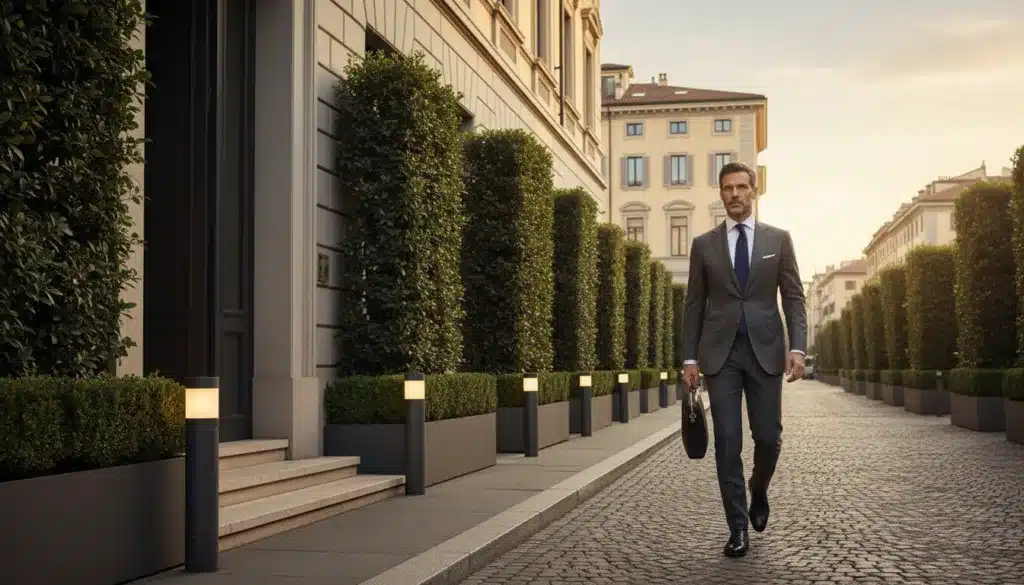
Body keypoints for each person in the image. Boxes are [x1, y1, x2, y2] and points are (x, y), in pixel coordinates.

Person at [681, 161, 807, 558]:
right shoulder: (703, 245)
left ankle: (759, 488)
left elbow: (793, 296)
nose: (734, 194)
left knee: (768, 438)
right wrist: (689, 358)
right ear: (721, 195)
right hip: (720, 358)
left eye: (740, 187)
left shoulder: (778, 240)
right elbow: (694, 305)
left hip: (766, 352)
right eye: (727, 188)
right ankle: (737, 526)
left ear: (754, 191)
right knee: (728, 443)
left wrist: (798, 348)